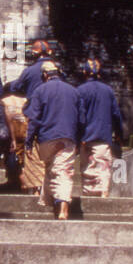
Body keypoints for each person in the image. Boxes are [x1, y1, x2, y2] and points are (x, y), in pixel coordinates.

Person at [25, 60, 80, 220]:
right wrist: (79, 139)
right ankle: (62, 208)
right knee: (63, 171)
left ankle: (56, 205)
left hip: (46, 140)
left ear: (44, 75)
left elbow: (33, 119)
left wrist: (28, 141)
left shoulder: (39, 91)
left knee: (51, 170)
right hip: (66, 138)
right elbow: (81, 119)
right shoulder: (73, 91)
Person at [5, 40, 52, 195]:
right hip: (53, 117)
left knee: (32, 151)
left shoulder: (29, 71)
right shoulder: (58, 69)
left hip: (34, 116)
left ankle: (36, 188)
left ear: (34, 53)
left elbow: (17, 87)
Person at [76, 59, 124, 196]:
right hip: (103, 136)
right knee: (103, 166)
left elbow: (79, 116)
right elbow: (116, 114)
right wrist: (119, 134)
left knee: (87, 168)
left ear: (85, 73)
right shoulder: (108, 91)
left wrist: (78, 136)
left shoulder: (80, 91)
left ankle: (88, 193)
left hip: (85, 137)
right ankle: (103, 192)